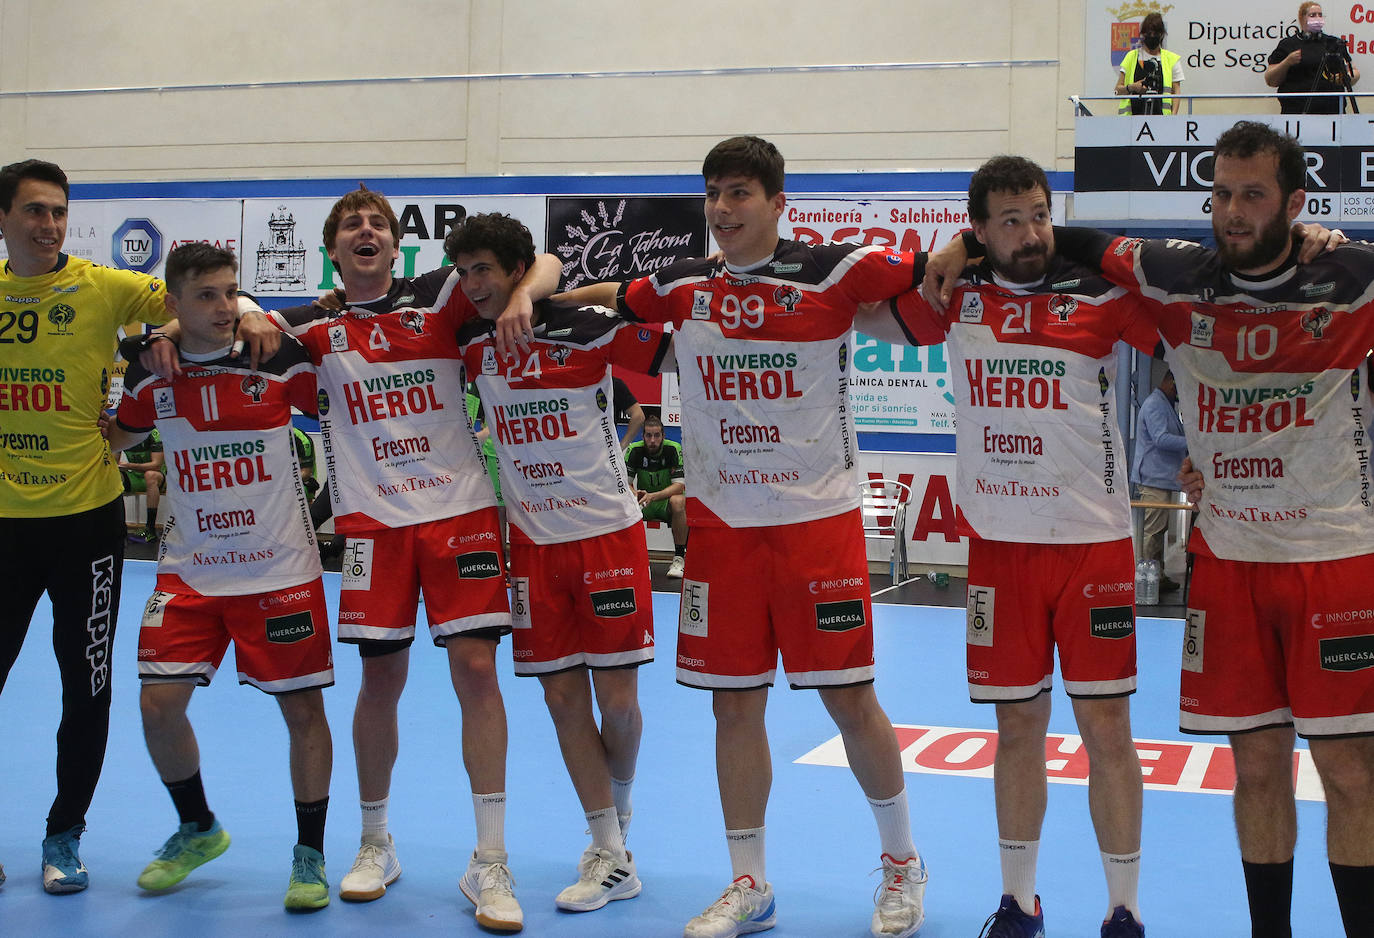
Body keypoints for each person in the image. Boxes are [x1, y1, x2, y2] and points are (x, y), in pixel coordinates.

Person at [930, 120, 1372, 938]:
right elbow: (1056, 243)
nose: (1233, 212)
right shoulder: (1171, 276)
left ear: (1295, 203)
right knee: (1257, 767)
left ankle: (1145, 911)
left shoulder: (1349, 275)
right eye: (1223, 194)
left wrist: (1325, 239)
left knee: (1347, 771)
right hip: (1216, 560)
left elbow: (1091, 268)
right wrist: (963, 240)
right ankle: (1037, 905)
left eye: (1254, 195)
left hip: (1324, 557)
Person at [553, 135, 927, 938]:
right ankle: (749, 882)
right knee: (733, 709)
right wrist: (534, 288)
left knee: (849, 699)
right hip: (722, 534)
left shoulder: (836, 270)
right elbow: (612, 295)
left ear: (777, 201)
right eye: (713, 194)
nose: (722, 210)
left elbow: (935, 277)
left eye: (739, 194)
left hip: (815, 529)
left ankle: (901, 864)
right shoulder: (684, 285)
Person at [857, 156, 1152, 938]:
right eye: (1010, 221)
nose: (1031, 234)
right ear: (982, 229)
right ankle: (1019, 902)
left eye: (1039, 215)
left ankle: (1124, 909)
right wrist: (951, 250)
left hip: (1094, 547)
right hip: (1000, 553)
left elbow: (1194, 320)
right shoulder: (960, 295)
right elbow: (861, 311)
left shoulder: (1104, 295)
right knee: (1017, 729)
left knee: (1107, 734)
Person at [263, 186, 559, 930]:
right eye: (351, 226)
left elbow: (546, 260)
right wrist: (223, 316)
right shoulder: (311, 327)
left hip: (458, 513)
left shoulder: (441, 297)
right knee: (380, 679)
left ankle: (490, 860)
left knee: (476, 670)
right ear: (332, 251)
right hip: (374, 529)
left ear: (398, 247)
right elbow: (229, 319)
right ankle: (374, 844)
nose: (366, 232)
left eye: (379, 225)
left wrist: (527, 292)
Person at [0, 158, 269, 894]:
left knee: (85, 688)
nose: (49, 224)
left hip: (85, 522)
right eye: (33, 211)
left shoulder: (103, 286)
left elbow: (195, 297)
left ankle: (63, 837)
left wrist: (242, 310)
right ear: (4, 219)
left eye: (58, 211)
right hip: (3, 527)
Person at [450, 212, 670, 913]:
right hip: (533, 547)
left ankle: (621, 825)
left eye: (486, 270)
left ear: (514, 273)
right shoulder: (469, 343)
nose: (472, 284)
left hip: (608, 534)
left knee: (620, 706)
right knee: (560, 697)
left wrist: (537, 293)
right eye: (464, 271)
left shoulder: (590, 331)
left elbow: (669, 345)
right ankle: (607, 849)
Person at [109, 243, 335, 909]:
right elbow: (120, 436)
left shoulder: (278, 355)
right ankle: (197, 826)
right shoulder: (151, 372)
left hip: (279, 570)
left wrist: (264, 311)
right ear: (173, 304)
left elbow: (338, 372)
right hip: (190, 571)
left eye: (230, 293)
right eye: (205, 295)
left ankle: (310, 856)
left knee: (302, 709)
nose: (223, 308)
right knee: (157, 705)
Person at [1130, 370, 1187, 593]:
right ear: (1172, 383)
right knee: (1153, 532)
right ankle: (1146, 582)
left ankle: (1157, 576)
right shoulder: (1155, 404)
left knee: (1158, 530)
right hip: (1153, 478)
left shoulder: (1164, 404)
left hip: (1161, 477)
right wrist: (1191, 440)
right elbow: (1161, 438)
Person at [1266, 2, 1359, 114]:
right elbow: (1270, 80)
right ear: (1302, 18)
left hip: (1332, 110)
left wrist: (1345, 77)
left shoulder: (1334, 43)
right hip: (1296, 110)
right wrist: (1287, 62)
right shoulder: (1288, 44)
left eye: (1320, 15)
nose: (1317, 18)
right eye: (1313, 15)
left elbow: (1354, 72)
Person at [624, 414, 688, 577]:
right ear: (643, 436)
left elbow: (679, 486)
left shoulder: (673, 449)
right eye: (648, 435)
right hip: (645, 502)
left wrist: (653, 496)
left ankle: (679, 559)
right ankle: (635, 561)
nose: (653, 440)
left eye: (657, 435)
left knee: (678, 501)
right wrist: (635, 493)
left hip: (665, 502)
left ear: (663, 436)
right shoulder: (634, 450)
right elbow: (625, 483)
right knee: (623, 501)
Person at [1115, 13, 1183, 115]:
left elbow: (1176, 92)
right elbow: (1117, 91)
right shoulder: (1131, 57)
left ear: (1161, 34)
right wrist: (1132, 87)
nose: (1152, 37)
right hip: (1131, 121)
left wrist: (1172, 118)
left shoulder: (1172, 59)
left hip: (1162, 121)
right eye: (1149, 33)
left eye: (1155, 34)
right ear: (1143, 34)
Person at [119, 427, 166, 543]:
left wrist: (129, 465)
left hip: (160, 477)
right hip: (136, 477)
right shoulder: (121, 434)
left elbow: (156, 465)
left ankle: (150, 530)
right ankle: (118, 528)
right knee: (113, 477)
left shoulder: (154, 433)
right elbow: (115, 463)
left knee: (150, 475)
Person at [612, 376, 646, 449]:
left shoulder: (612, 384)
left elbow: (638, 416)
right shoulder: (580, 388)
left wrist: (620, 448)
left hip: (602, 450)